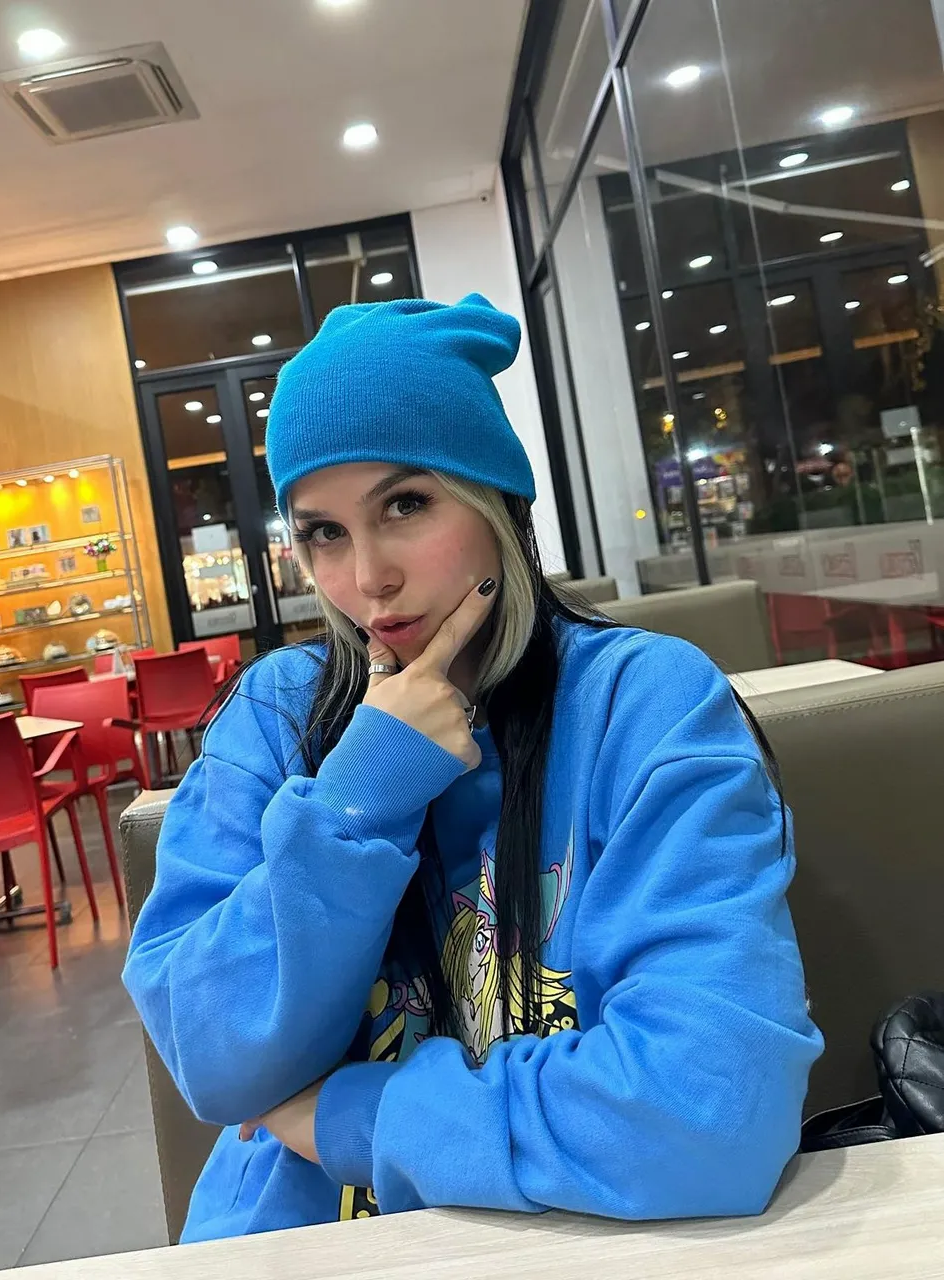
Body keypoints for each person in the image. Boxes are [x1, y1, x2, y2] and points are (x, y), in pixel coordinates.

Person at [123, 294, 822, 1243]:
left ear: (497, 505)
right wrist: (359, 797)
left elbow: (709, 1108)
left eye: (405, 505)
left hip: (581, 1241)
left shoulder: (640, 704)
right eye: (323, 531)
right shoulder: (279, 715)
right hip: (297, 1242)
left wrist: (350, 1118)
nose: (367, 576)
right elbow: (214, 1060)